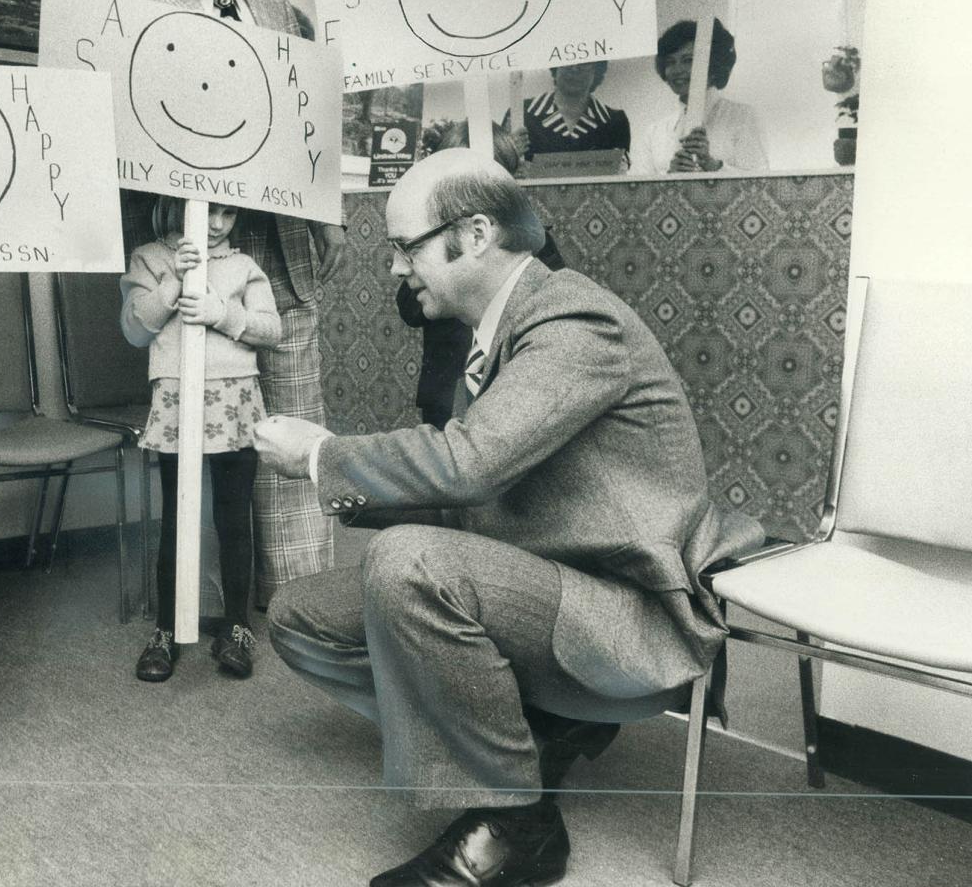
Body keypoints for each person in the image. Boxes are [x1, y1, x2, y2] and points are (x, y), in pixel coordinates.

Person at [254, 148, 763, 887]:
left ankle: (517, 822)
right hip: (548, 578)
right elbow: (474, 487)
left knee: (410, 564)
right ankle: (532, 734)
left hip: (630, 611)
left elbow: (469, 465)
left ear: (477, 233)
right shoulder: (499, 328)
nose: (396, 267)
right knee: (302, 613)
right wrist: (342, 479)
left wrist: (320, 455)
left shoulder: (573, 318)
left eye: (405, 246)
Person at [122, 0, 344, 609]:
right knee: (203, 433)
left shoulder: (281, 13)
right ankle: (199, 600)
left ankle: (301, 599)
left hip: (278, 247)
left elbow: (313, 120)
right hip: (185, 255)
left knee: (292, 418)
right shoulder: (135, 10)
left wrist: (327, 215)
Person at [121, 198, 280, 681]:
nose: (216, 224)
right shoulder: (150, 257)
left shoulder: (244, 265)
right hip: (178, 396)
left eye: (228, 215)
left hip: (234, 398)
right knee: (177, 518)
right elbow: (133, 330)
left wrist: (222, 313)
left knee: (233, 518)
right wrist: (174, 282)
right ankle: (165, 632)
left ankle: (237, 628)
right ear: (174, 207)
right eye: (208, 212)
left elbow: (271, 328)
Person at [396, 126, 564, 428]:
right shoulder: (431, 247)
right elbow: (408, 310)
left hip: (508, 391)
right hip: (446, 388)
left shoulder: (535, 240)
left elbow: (549, 299)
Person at [630, 18, 768, 175]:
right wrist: (669, 178)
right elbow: (636, 191)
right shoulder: (654, 132)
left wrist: (712, 165)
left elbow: (760, 181)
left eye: (688, 60)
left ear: (713, 65)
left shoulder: (742, 118)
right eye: (670, 62)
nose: (677, 70)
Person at [507, 61, 631, 169]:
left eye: (584, 62)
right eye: (567, 60)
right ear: (555, 66)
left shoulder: (615, 122)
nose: (575, 68)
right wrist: (507, 155)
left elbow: (619, 176)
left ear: (597, 69)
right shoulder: (521, 114)